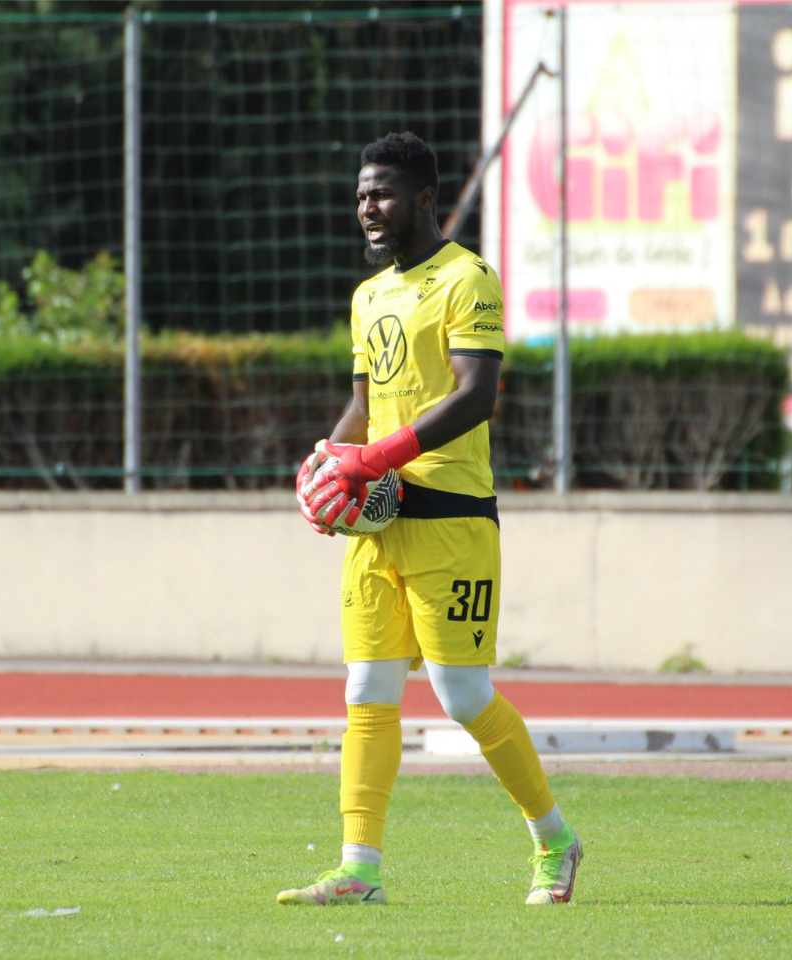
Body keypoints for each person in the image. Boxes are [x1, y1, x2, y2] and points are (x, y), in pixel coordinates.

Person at [277, 132, 581, 908]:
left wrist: (372, 461)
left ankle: (555, 839)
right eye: (358, 195)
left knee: (463, 695)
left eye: (378, 193)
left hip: (451, 519)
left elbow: (477, 393)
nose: (365, 208)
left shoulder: (468, 278)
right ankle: (359, 869)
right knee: (366, 689)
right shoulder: (367, 295)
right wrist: (325, 466)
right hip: (377, 522)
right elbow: (362, 406)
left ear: (422, 198)